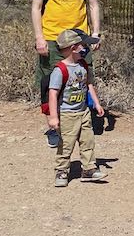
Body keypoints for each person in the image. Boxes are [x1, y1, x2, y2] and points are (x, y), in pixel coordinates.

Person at [26, 0, 102, 122]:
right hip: (52, 37)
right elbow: (36, 8)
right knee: (50, 82)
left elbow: (93, 4)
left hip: (79, 38)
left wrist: (95, 32)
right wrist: (39, 38)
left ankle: (81, 122)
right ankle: (53, 122)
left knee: (83, 79)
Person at [46, 28, 107, 187]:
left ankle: (88, 169)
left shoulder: (83, 65)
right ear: (73, 48)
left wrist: (96, 103)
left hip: (83, 111)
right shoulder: (60, 70)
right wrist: (53, 116)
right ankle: (62, 170)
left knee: (88, 141)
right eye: (83, 46)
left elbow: (89, 85)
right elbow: (53, 94)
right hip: (67, 114)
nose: (86, 49)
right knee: (66, 143)